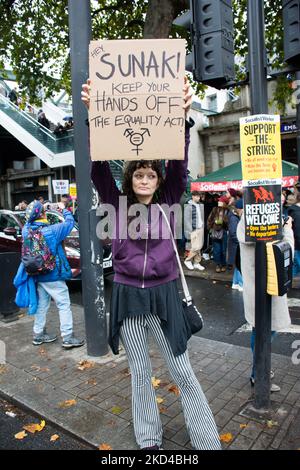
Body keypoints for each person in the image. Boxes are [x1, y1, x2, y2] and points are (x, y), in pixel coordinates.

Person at [81, 77, 221, 450]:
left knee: (182, 371)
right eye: (139, 174)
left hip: (164, 296)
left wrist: (184, 118)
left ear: (157, 181)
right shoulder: (116, 203)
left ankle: (207, 442)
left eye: (150, 174)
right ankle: (148, 441)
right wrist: (94, 116)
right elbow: (96, 167)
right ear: (131, 179)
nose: (145, 179)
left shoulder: (169, 201)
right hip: (128, 297)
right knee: (140, 374)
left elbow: (178, 165)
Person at [237, 214, 294, 392]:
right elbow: (285, 251)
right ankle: (259, 373)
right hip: (269, 287)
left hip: (255, 288)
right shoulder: (268, 223)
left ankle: (260, 371)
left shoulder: (247, 222)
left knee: (259, 329)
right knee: (266, 332)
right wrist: (288, 230)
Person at [21, 200, 84, 349]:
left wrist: (40, 209)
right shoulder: (52, 231)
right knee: (64, 304)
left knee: (42, 304)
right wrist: (63, 209)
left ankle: (38, 334)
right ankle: (67, 337)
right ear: (42, 214)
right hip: (53, 275)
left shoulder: (26, 231)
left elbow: (28, 223)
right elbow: (69, 223)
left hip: (37, 274)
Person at [184, 190, 205, 271]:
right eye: (197, 196)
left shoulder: (199, 205)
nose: (198, 198)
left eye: (199, 196)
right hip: (193, 229)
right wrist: (190, 231)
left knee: (199, 247)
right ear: (192, 196)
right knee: (196, 247)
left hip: (200, 227)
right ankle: (188, 260)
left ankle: (196, 262)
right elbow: (187, 219)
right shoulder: (188, 206)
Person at [207, 195, 229, 273]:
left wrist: (223, 221)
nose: (218, 202)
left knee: (223, 250)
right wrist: (212, 226)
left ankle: (223, 264)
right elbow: (209, 219)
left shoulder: (227, 211)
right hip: (215, 232)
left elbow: (228, 224)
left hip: (224, 233)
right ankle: (218, 264)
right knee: (216, 250)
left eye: (221, 201)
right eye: (219, 201)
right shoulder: (214, 209)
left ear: (224, 203)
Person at [288, 191, 300, 279]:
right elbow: (297, 231)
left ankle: (284, 286)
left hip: (296, 244)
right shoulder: (296, 212)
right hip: (298, 245)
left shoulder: (294, 211)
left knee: (295, 267)